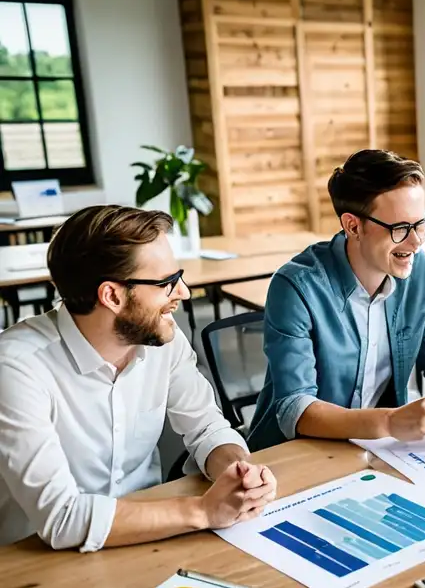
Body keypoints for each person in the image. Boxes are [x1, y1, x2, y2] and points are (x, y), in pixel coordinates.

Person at [0, 205, 277, 551]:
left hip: (150, 537)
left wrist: (241, 471)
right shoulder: (16, 368)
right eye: (167, 284)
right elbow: (62, 516)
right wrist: (202, 511)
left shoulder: (162, 338)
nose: (184, 293)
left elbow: (206, 427)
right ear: (112, 295)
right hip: (36, 564)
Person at [248, 149, 425, 451]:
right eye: (400, 228)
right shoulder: (296, 287)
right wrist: (390, 422)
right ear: (353, 226)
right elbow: (296, 408)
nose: (417, 241)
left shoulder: (421, 273)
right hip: (295, 453)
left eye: (421, 224)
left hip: (374, 450)